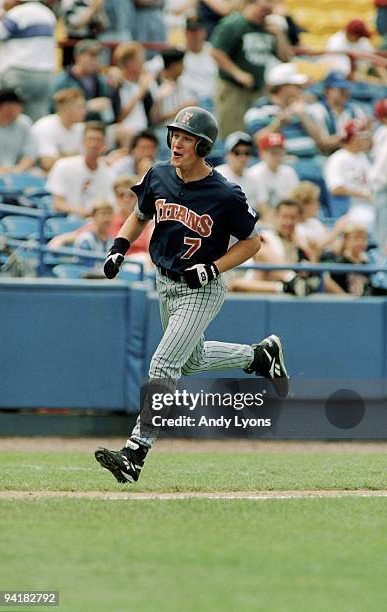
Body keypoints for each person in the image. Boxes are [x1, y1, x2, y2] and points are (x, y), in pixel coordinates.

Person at [94, 106, 289, 484]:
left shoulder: (225, 193)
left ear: (202, 146)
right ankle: (259, 355)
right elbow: (139, 214)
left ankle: (135, 451)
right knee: (192, 360)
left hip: (202, 287)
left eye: (185, 137)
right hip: (166, 282)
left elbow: (252, 243)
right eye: (175, 135)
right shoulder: (159, 175)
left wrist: (214, 266)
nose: (176, 142)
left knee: (164, 365)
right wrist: (118, 247)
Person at [210, 0, 291, 138]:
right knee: (235, 135)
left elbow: (286, 57)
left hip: (258, 90)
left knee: (257, 133)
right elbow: (216, 52)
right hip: (233, 90)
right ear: (250, 4)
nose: (265, 14)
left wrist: (279, 35)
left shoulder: (267, 28)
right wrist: (238, 73)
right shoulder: (234, 24)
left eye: (268, 11)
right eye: (262, 9)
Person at [229, 198, 320, 295]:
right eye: (284, 217)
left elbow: (313, 274)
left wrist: (308, 251)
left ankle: (289, 285)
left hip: (283, 292)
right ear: (276, 217)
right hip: (250, 282)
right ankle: (291, 281)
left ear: (299, 219)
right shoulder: (266, 237)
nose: (288, 222)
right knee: (262, 254)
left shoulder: (302, 242)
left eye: (293, 217)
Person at [244, 62, 324, 157]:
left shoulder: (301, 106)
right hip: (283, 163)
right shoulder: (259, 109)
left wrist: (303, 116)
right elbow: (258, 140)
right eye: (296, 86)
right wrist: (279, 124)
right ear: (282, 87)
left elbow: (320, 140)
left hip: (312, 160)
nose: (300, 89)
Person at [0, 0, 57, 122]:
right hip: (45, 75)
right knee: (36, 120)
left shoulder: (17, 13)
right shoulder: (48, 13)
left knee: (7, 120)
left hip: (19, 72)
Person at [46, 121, 115, 217]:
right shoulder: (63, 166)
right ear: (83, 141)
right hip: (68, 221)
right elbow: (57, 203)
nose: (94, 144)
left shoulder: (110, 174)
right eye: (90, 139)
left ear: (104, 144)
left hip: (96, 225)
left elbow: (110, 205)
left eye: (98, 140)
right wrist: (79, 211)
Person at [52, 39, 119, 125]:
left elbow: (112, 103)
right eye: (91, 56)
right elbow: (54, 109)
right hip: (73, 126)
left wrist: (115, 84)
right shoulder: (63, 80)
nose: (95, 61)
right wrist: (86, 106)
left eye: (97, 57)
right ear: (78, 57)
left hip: (98, 126)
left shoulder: (100, 79)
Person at [324, 118, 374, 228]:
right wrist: (363, 194)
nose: (367, 140)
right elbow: (336, 189)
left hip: (369, 204)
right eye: (363, 137)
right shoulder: (338, 158)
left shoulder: (363, 157)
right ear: (353, 139)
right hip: (351, 208)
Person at [308, 71, 367, 154]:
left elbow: (366, 139)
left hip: (353, 155)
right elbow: (323, 144)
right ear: (327, 91)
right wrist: (347, 136)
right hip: (328, 156)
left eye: (346, 89)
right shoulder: (318, 110)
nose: (344, 93)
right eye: (340, 90)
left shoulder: (355, 109)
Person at [246, 132, 299, 221]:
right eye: (272, 152)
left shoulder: (289, 172)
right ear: (262, 154)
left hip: (285, 218)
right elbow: (263, 208)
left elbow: (295, 202)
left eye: (279, 152)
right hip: (259, 220)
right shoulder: (255, 173)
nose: (277, 156)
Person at [31, 88, 86, 172]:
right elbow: (48, 164)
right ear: (66, 108)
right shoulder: (44, 126)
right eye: (80, 107)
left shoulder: (82, 128)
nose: (84, 111)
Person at [325, 18, 387, 84]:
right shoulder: (336, 43)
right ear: (351, 34)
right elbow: (345, 73)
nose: (360, 37)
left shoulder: (363, 41)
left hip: (358, 78)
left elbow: (375, 62)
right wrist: (371, 80)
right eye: (359, 36)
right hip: (338, 80)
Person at [0, 87, 36, 174]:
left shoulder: (24, 122)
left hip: (16, 172)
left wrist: (18, 169)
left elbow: (30, 154)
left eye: (19, 105)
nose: (19, 109)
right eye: (13, 105)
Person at [180, 16, 218, 103]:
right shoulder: (178, 53)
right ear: (185, 33)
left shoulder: (214, 52)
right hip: (186, 102)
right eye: (191, 31)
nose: (195, 35)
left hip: (210, 100)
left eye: (198, 31)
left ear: (204, 32)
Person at [215, 131, 257, 209]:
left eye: (246, 153)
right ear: (227, 155)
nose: (243, 157)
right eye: (237, 152)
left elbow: (262, 208)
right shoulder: (217, 176)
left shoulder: (253, 177)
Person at [370, 98, 387, 251]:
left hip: (379, 189)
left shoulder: (382, 132)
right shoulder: (385, 133)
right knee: (384, 236)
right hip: (386, 190)